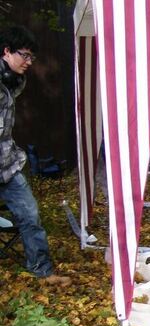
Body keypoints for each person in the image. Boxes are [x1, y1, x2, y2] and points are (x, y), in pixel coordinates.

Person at [0, 26, 71, 287]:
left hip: (7, 165)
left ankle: (43, 272)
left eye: (32, 58)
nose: (29, 63)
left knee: (30, 215)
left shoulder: (14, 80)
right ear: (6, 51)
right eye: (25, 56)